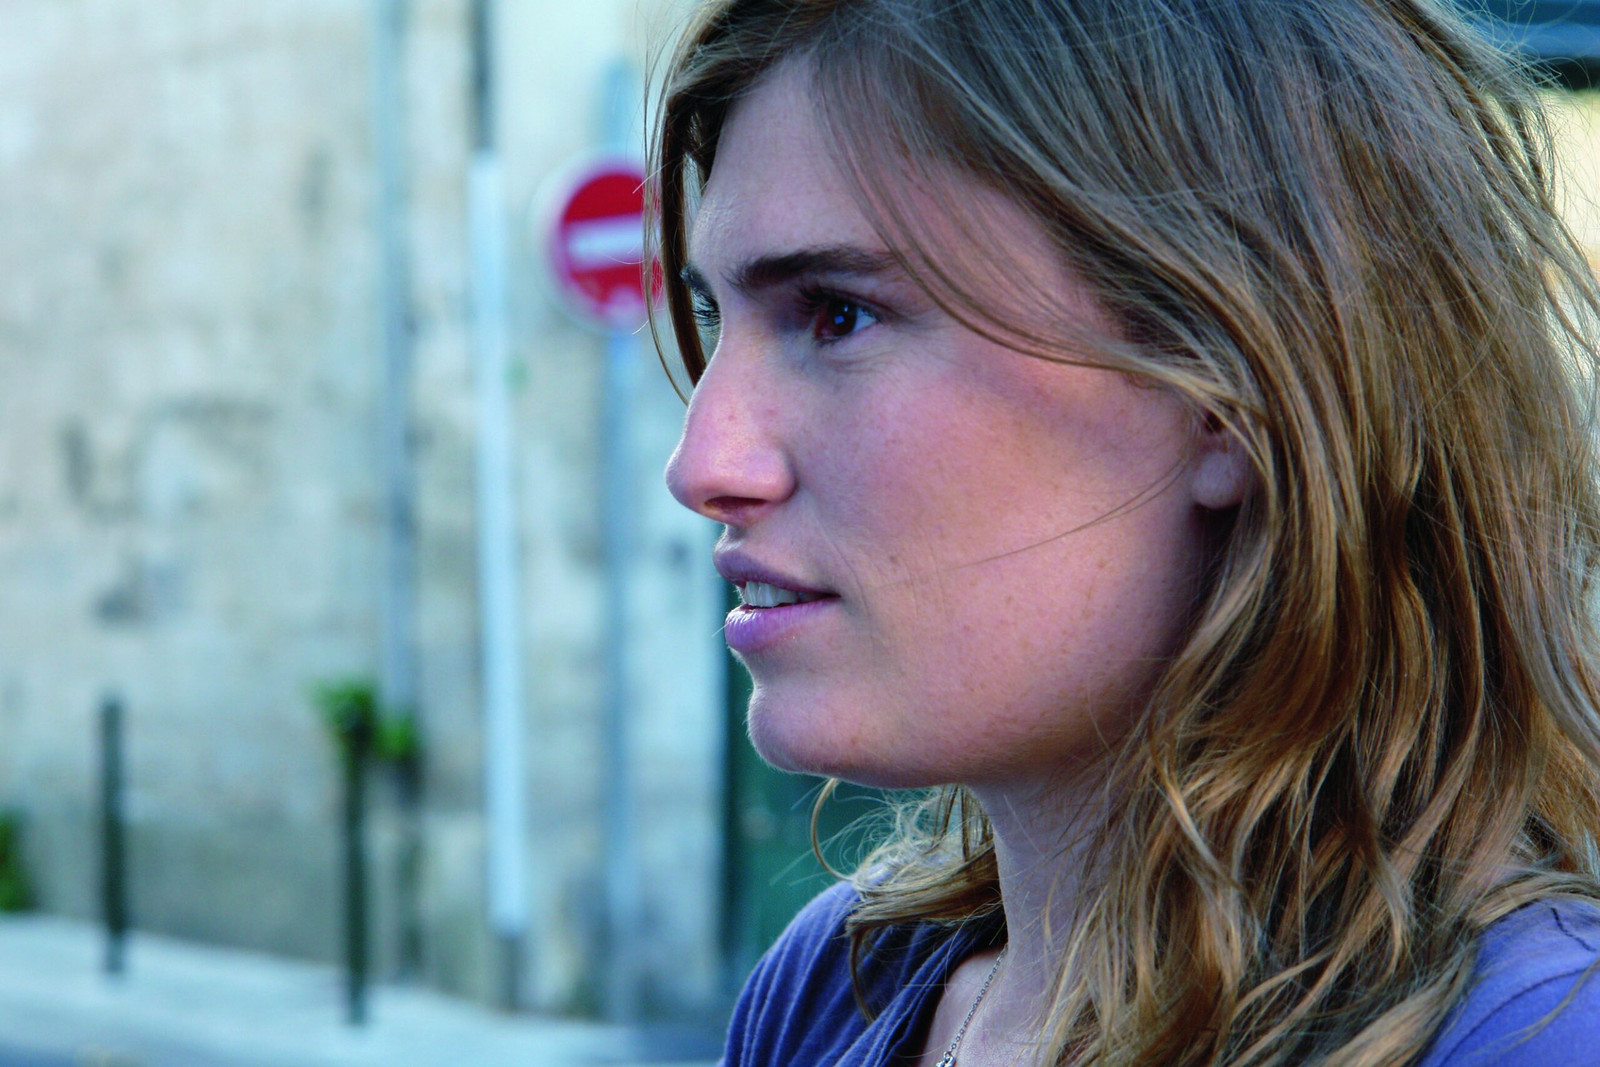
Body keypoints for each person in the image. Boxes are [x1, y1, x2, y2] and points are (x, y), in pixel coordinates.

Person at [649, 0, 1600, 1063]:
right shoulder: (834, 991)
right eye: (716, 319)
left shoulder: (1533, 1035)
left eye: (838, 314)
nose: (704, 465)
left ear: (1231, 390)